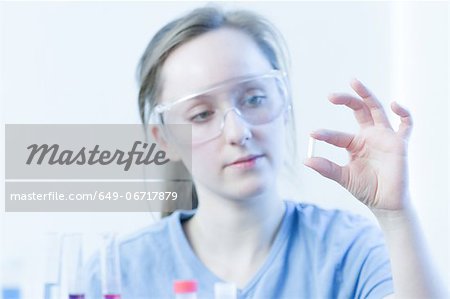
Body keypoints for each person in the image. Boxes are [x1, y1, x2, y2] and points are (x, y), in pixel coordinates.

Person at [86, 6, 446, 298]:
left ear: (284, 101)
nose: (238, 132)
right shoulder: (116, 273)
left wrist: (395, 216)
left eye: (255, 98)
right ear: (164, 138)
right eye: (201, 114)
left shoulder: (349, 250)